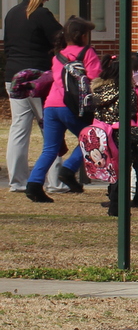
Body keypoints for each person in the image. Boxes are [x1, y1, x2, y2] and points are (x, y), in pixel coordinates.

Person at [25, 16, 100, 202]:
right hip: (73, 107)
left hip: (51, 106)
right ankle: (68, 170)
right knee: (91, 139)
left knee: (49, 149)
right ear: (82, 36)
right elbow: (96, 78)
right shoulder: (87, 53)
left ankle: (34, 185)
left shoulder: (59, 55)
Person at [5, 0, 63, 193]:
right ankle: (55, 181)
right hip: (38, 77)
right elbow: (61, 39)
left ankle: (17, 181)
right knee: (50, 126)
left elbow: (8, 45)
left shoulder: (12, 13)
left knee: (19, 129)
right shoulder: (42, 15)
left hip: (13, 76)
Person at [93, 53, 138, 216]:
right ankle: (125, 203)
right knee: (128, 170)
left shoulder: (99, 92)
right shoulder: (127, 92)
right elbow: (131, 113)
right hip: (123, 134)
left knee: (113, 169)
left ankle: (113, 201)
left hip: (103, 134)